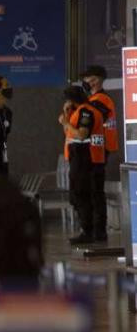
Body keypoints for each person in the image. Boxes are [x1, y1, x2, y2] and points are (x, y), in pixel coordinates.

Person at [60, 84, 106, 244]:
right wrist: (67, 115)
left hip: (86, 157)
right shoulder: (78, 112)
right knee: (81, 194)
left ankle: (89, 231)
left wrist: (65, 123)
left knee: (83, 194)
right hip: (81, 158)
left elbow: (81, 134)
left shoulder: (86, 112)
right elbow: (72, 133)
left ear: (73, 100)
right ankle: (92, 231)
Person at [83, 64, 118, 163]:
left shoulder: (101, 99)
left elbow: (90, 120)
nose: (85, 81)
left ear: (95, 80)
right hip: (98, 145)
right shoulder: (96, 98)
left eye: (87, 78)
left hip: (98, 147)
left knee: (93, 176)